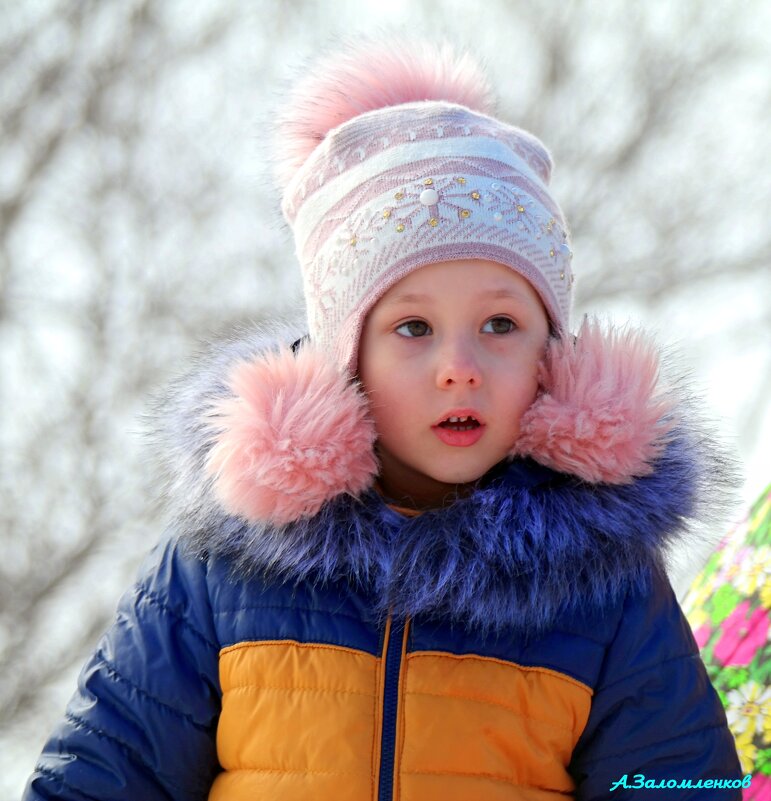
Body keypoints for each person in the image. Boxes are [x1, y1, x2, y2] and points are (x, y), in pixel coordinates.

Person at [24, 36, 744, 801]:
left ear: (551, 354)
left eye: (499, 325)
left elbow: (672, 782)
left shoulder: (603, 585)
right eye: (412, 329)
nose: (458, 365)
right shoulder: (222, 570)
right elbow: (106, 774)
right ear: (345, 358)